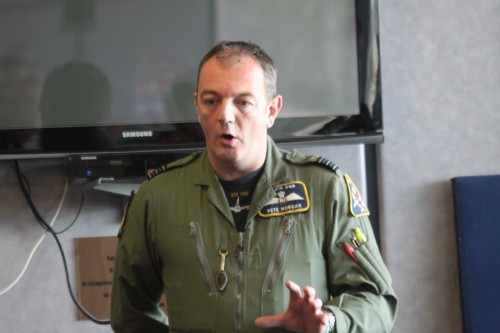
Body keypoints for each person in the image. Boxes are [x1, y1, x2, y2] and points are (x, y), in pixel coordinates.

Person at [111, 40, 398, 332]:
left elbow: (376, 302)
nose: (225, 115)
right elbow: (130, 316)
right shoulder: (157, 198)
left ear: (271, 110)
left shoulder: (324, 189)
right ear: (197, 107)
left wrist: (329, 322)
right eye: (212, 101)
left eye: (243, 102)